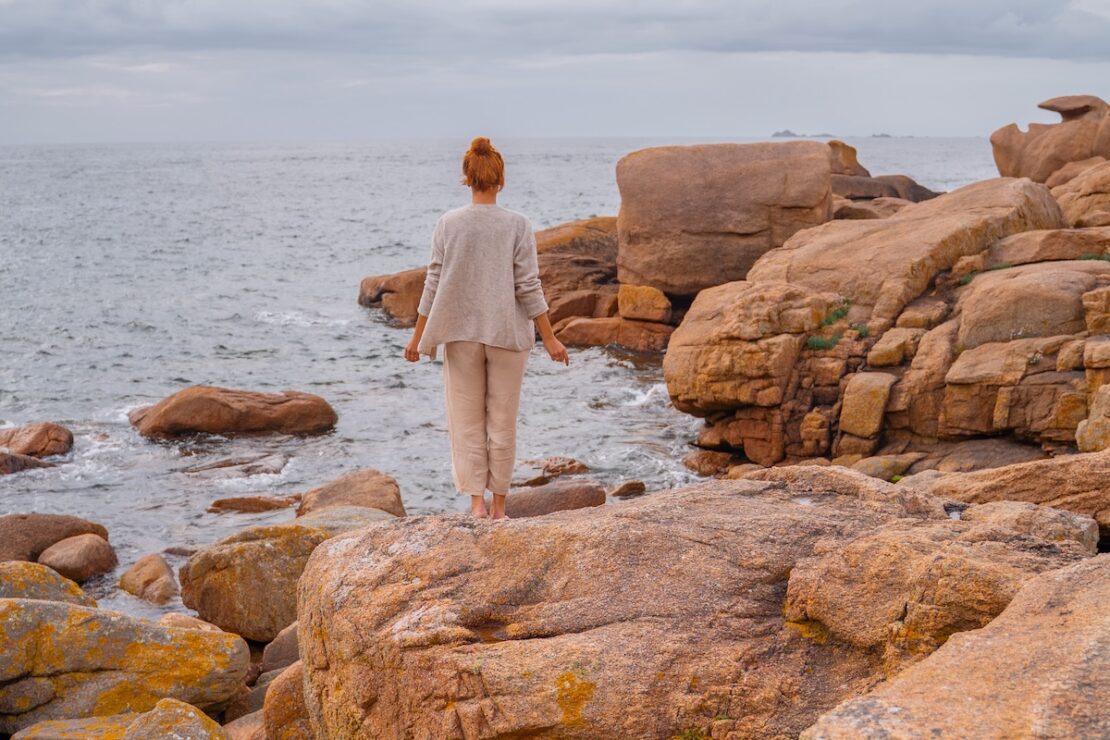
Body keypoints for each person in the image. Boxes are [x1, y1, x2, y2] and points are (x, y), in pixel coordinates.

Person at [404, 136, 570, 520]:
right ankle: (499, 507)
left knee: (466, 422)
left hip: (460, 334)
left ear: (467, 179)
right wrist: (549, 338)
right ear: (501, 180)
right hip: (507, 335)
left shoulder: (448, 224)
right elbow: (528, 285)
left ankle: (476, 505)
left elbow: (433, 283)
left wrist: (417, 338)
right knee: (502, 421)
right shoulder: (518, 225)